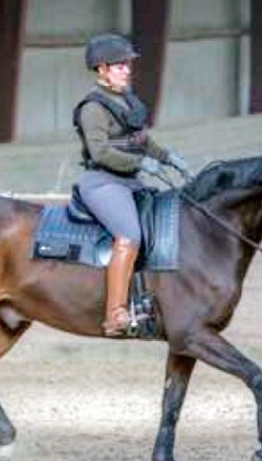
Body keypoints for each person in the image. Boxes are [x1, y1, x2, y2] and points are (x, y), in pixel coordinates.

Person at [72, 33, 188, 337]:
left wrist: (166, 157)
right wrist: (139, 163)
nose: (126, 69)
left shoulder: (125, 99)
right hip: (102, 182)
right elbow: (101, 152)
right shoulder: (93, 108)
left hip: (128, 182)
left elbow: (140, 139)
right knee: (129, 234)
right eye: (119, 65)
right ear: (101, 70)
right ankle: (115, 315)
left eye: (126, 65)